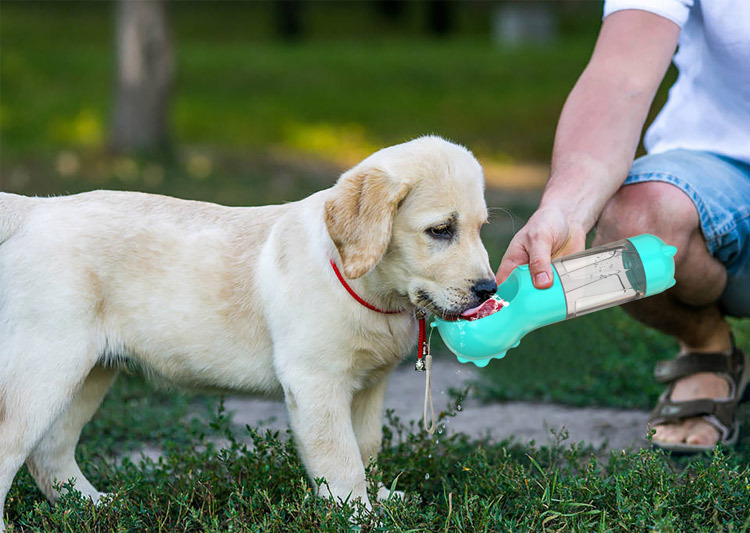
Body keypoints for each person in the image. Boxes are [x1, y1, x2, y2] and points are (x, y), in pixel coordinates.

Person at [496, 1, 750, 452]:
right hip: (723, 171)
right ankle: (708, 350)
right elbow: (619, 78)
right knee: (638, 219)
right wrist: (567, 209)